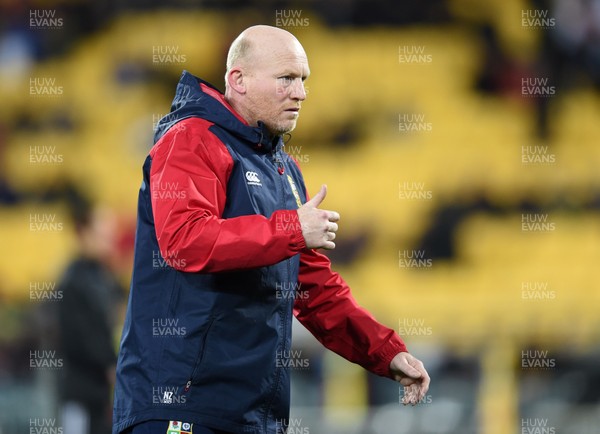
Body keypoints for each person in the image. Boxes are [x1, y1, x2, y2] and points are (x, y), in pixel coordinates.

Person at [113, 25, 430, 434]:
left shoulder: (283, 168)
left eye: (304, 80)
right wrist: (292, 228)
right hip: (181, 405)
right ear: (238, 80)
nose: (301, 93)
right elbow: (185, 241)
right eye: (287, 78)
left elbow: (314, 289)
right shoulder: (190, 139)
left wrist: (384, 352)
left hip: (252, 413)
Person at [58, 201, 122, 434]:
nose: (109, 240)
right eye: (102, 234)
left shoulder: (108, 279)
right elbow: (78, 338)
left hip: (106, 394)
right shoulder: (73, 281)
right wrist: (109, 364)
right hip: (82, 395)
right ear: (84, 233)